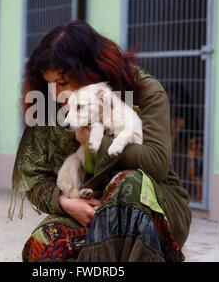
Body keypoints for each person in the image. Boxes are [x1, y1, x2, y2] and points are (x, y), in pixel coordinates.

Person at [10, 20, 192, 262]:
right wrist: (66, 203)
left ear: (88, 71)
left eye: (62, 82)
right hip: (87, 206)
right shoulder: (52, 105)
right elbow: (33, 175)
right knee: (45, 242)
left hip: (151, 207)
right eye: (50, 84)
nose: (56, 93)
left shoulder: (144, 89)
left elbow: (156, 162)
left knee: (127, 184)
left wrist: (94, 142)